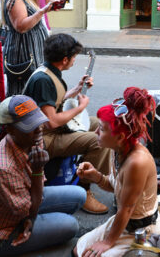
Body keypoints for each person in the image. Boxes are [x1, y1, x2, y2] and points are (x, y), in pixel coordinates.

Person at [0, 95, 86, 256]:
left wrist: (37, 174)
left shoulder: (33, 139)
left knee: (79, 194)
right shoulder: (2, 167)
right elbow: (29, 211)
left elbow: (37, 192)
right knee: (71, 226)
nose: (38, 129)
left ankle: (46, 224)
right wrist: (37, 170)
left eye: (38, 121)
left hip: (24, 202)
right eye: (30, 126)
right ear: (10, 129)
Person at [23, 33, 111, 214]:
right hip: (42, 139)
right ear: (65, 59)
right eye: (73, 58)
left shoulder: (48, 72)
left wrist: (76, 89)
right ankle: (84, 189)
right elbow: (52, 122)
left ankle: (84, 169)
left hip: (50, 130)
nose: (73, 61)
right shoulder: (43, 80)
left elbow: (53, 101)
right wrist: (80, 108)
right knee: (99, 141)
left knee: (101, 126)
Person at [74, 87, 160, 257]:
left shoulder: (136, 162)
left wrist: (107, 242)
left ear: (120, 137)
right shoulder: (116, 149)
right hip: (124, 223)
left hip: (142, 230)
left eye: (101, 129)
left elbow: (126, 209)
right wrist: (96, 176)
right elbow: (115, 185)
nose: (96, 132)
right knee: (79, 250)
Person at [2, 0, 57, 96]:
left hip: (33, 52)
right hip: (25, 54)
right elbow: (21, 26)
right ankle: (23, 117)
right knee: (23, 93)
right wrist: (42, 11)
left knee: (34, 91)